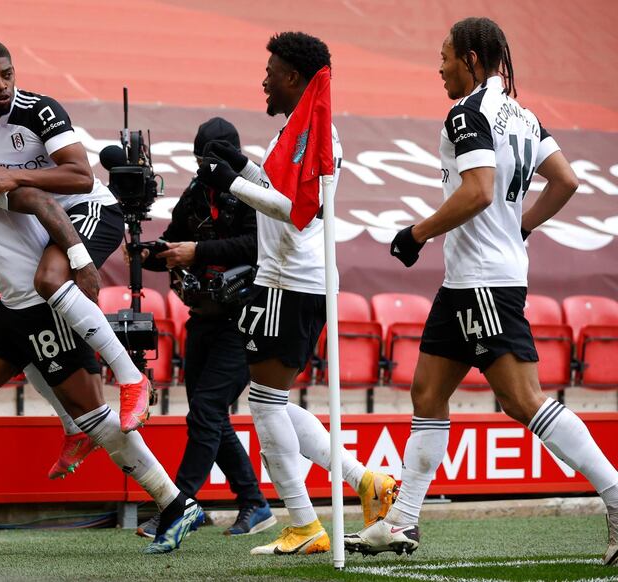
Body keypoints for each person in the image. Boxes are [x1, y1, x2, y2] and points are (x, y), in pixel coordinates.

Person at [344, 18, 618, 565]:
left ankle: (616, 494)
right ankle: (402, 521)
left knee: (523, 401)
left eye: (444, 57)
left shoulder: (468, 112)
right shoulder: (521, 112)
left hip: (483, 283)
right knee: (427, 392)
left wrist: (416, 233)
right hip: (468, 281)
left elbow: (477, 191)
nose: (438, 68)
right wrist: (521, 226)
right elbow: (566, 179)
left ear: (470, 58)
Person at [0, 119, 205, 555]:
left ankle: (175, 502)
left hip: (42, 309)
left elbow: (40, 202)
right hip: (12, 308)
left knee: (96, 422)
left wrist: (81, 261)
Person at [196, 32, 399, 555]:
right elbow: (283, 187)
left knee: (264, 404)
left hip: (291, 281)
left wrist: (230, 183)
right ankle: (365, 482)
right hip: (288, 279)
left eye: (271, 70)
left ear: (292, 77)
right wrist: (241, 165)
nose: (263, 79)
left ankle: (305, 525)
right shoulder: (297, 129)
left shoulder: (319, 133)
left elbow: (297, 209)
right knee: (272, 402)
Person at [0, 39, 152, 479]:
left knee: (48, 281)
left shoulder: (39, 110)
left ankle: (132, 378)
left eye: (7, 74)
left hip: (91, 212)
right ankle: (75, 426)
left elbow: (82, 176)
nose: (2, 85)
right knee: (26, 324)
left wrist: (15, 174)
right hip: (48, 229)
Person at [134, 118, 275, 539]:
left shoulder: (253, 193)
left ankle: (180, 504)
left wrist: (198, 250)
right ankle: (254, 503)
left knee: (207, 412)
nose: (206, 168)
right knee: (209, 416)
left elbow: (259, 245)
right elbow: (174, 240)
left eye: (213, 159)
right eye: (200, 159)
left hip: (246, 319)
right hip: (205, 317)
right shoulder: (195, 194)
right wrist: (149, 254)